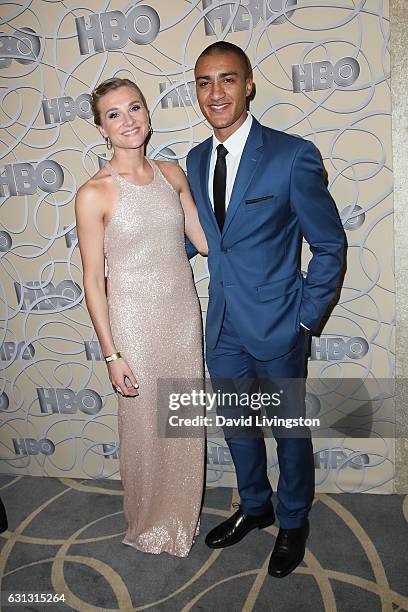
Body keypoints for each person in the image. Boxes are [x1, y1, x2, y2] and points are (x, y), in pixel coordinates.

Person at [186, 42, 345, 576]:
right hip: (224, 323)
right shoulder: (194, 159)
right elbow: (207, 237)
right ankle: (255, 506)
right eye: (205, 82)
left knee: (288, 431)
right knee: (236, 427)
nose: (216, 93)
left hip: (280, 324)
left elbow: (329, 244)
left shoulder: (292, 155)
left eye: (227, 80)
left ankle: (294, 520)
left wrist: (306, 317)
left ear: (248, 84)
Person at [75, 77, 207, 557]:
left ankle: (180, 518)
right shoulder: (94, 193)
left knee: (182, 421)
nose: (128, 120)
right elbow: (93, 281)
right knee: (145, 430)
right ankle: (148, 520)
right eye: (114, 114)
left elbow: (205, 241)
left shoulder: (173, 174)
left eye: (134, 108)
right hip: (133, 323)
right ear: (101, 129)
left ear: (148, 114)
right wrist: (111, 353)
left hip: (181, 316)